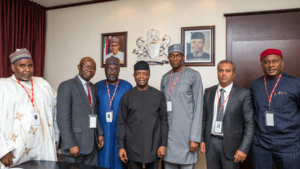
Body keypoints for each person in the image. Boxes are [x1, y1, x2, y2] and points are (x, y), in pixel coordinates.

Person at [0, 48, 59, 168]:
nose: (27, 69)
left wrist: (56, 137)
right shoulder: (3, 86)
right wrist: (2, 150)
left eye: (30, 65)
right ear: (13, 67)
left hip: (44, 146)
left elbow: (56, 109)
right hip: (15, 150)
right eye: (22, 66)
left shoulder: (42, 83)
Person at [249, 49, 300, 169]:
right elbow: (250, 114)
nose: (271, 65)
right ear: (262, 65)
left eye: (275, 61)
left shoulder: (296, 83)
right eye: (266, 62)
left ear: (282, 63)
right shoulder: (255, 85)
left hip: (289, 145)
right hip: (261, 144)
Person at [200, 60, 255, 169]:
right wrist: (202, 140)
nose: (224, 74)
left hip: (232, 145)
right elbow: (203, 119)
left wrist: (243, 148)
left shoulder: (243, 94)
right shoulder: (208, 92)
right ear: (217, 73)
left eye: (227, 71)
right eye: (221, 70)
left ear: (233, 74)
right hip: (210, 143)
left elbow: (250, 124)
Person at [117, 61, 168, 169]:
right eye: (138, 73)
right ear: (134, 75)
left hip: (153, 146)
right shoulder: (127, 97)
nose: (141, 77)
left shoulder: (158, 95)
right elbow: (121, 123)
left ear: (149, 74)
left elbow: (164, 122)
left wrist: (163, 144)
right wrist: (121, 146)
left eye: (144, 73)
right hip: (132, 147)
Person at [160, 44, 203, 169]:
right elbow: (162, 111)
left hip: (187, 136)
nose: (175, 59)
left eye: (178, 55)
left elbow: (199, 107)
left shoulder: (194, 75)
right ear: (168, 58)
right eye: (172, 56)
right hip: (169, 137)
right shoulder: (165, 78)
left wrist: (195, 138)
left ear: (183, 57)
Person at [57, 57, 104, 166]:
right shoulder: (66, 86)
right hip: (75, 144)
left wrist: (99, 133)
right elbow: (62, 119)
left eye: (93, 68)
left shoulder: (93, 88)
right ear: (79, 67)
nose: (89, 70)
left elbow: (94, 113)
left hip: (92, 144)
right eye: (86, 66)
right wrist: (70, 144)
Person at [96, 57, 132, 169]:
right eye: (109, 69)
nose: (112, 72)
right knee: (103, 159)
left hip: (121, 132)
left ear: (119, 70)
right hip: (103, 131)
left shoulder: (127, 86)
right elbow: (91, 112)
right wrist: (98, 132)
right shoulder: (97, 86)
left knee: (119, 160)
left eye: (115, 69)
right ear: (104, 70)